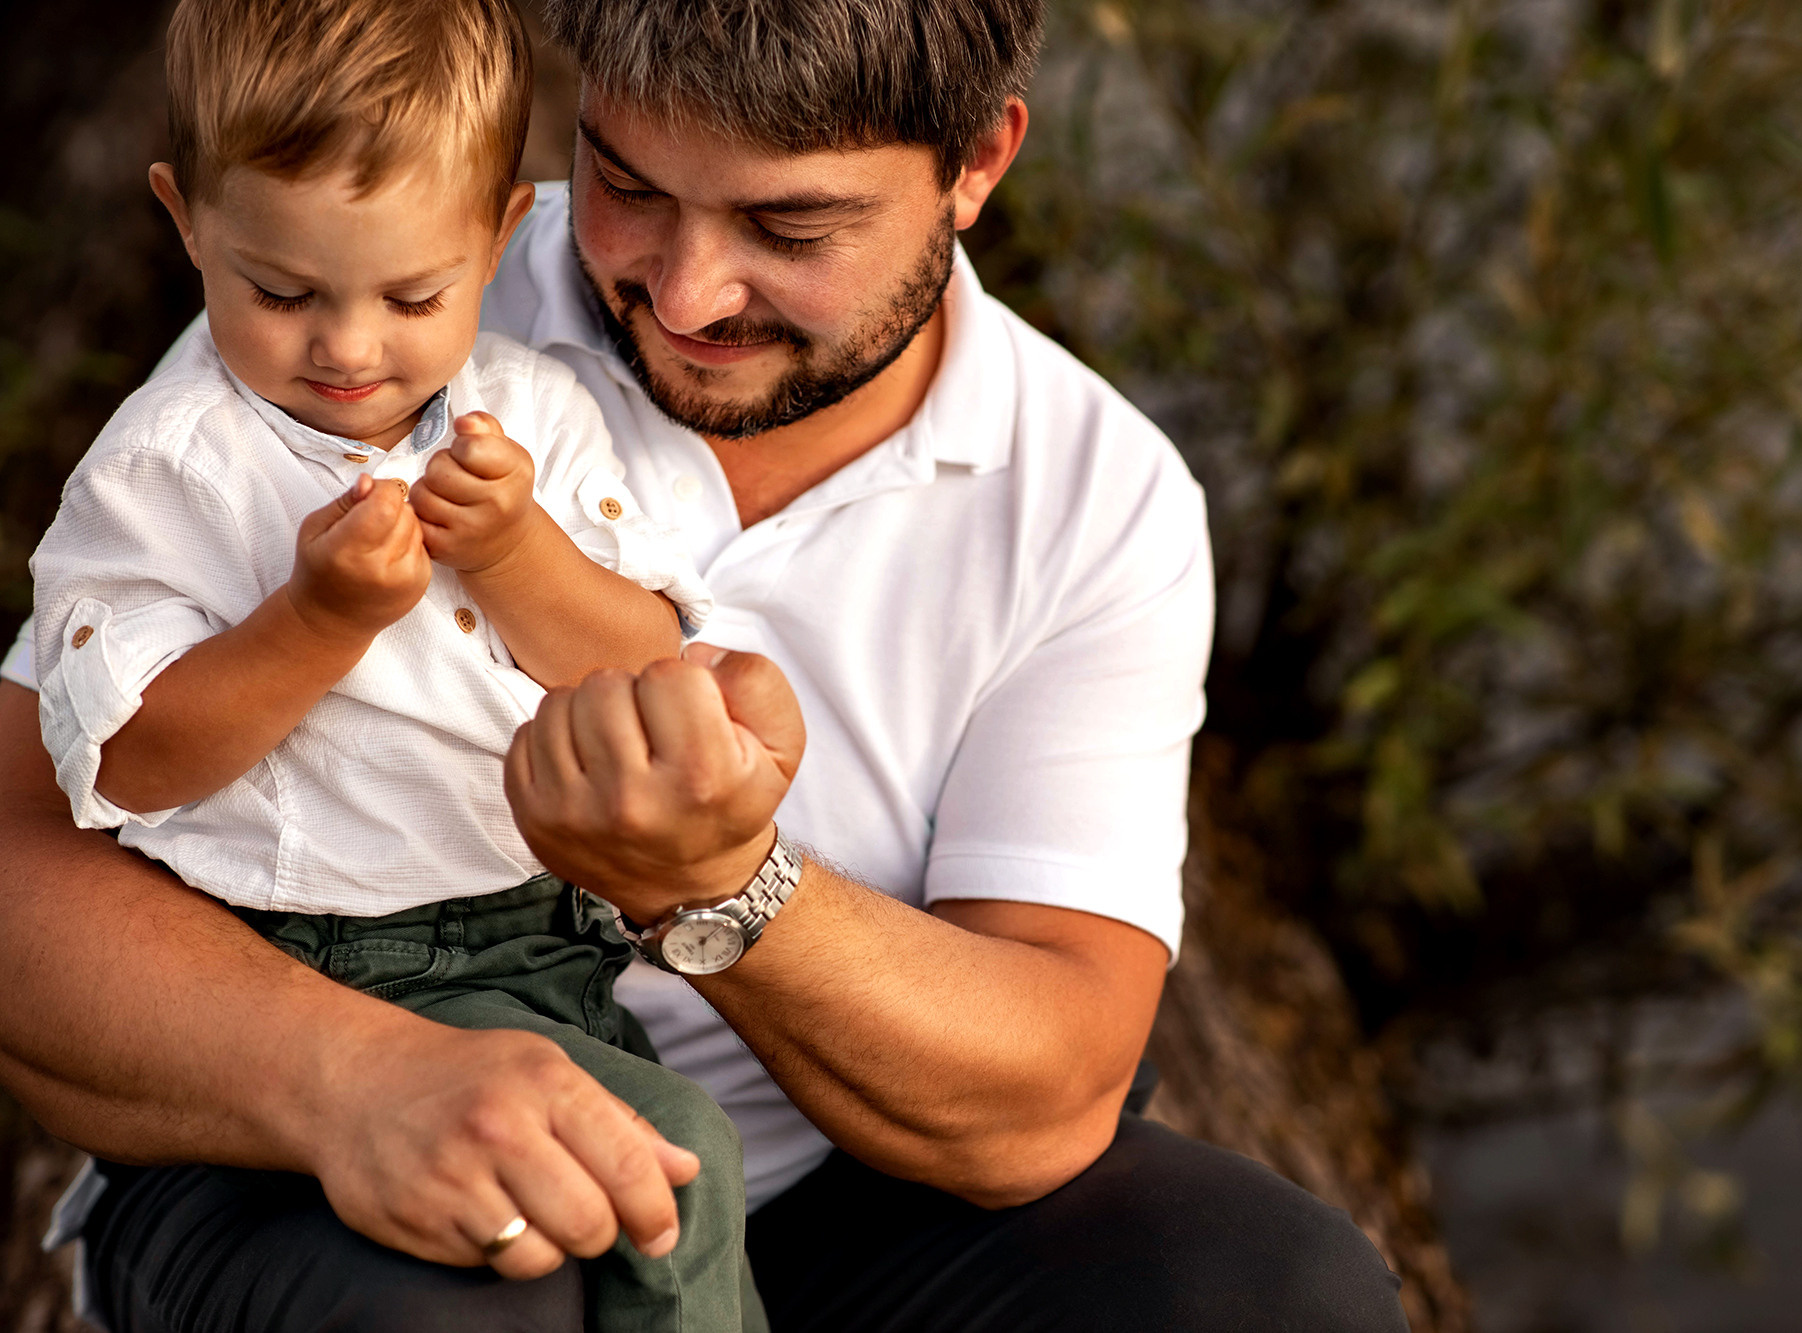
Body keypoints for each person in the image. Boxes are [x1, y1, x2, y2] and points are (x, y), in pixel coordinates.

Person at [0, 1, 1413, 1329]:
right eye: (626, 185)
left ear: (977, 162)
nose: (684, 294)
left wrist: (718, 878)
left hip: (843, 1188)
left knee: (1271, 1290)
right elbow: (25, 858)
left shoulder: (1095, 497)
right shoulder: (365, 304)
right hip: (320, 1116)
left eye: (790, 225)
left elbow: (1047, 1087)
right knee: (476, 1289)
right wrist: (356, 1080)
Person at [26, 0, 762, 1328]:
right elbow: (126, 762)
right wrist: (312, 622)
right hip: (304, 965)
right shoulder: (167, 468)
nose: (350, 349)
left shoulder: (531, 416)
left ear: (503, 231)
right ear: (187, 219)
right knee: (674, 1163)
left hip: (540, 953)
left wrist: (521, 552)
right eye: (282, 292)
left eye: (414, 297)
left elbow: (652, 662)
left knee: (606, 1219)